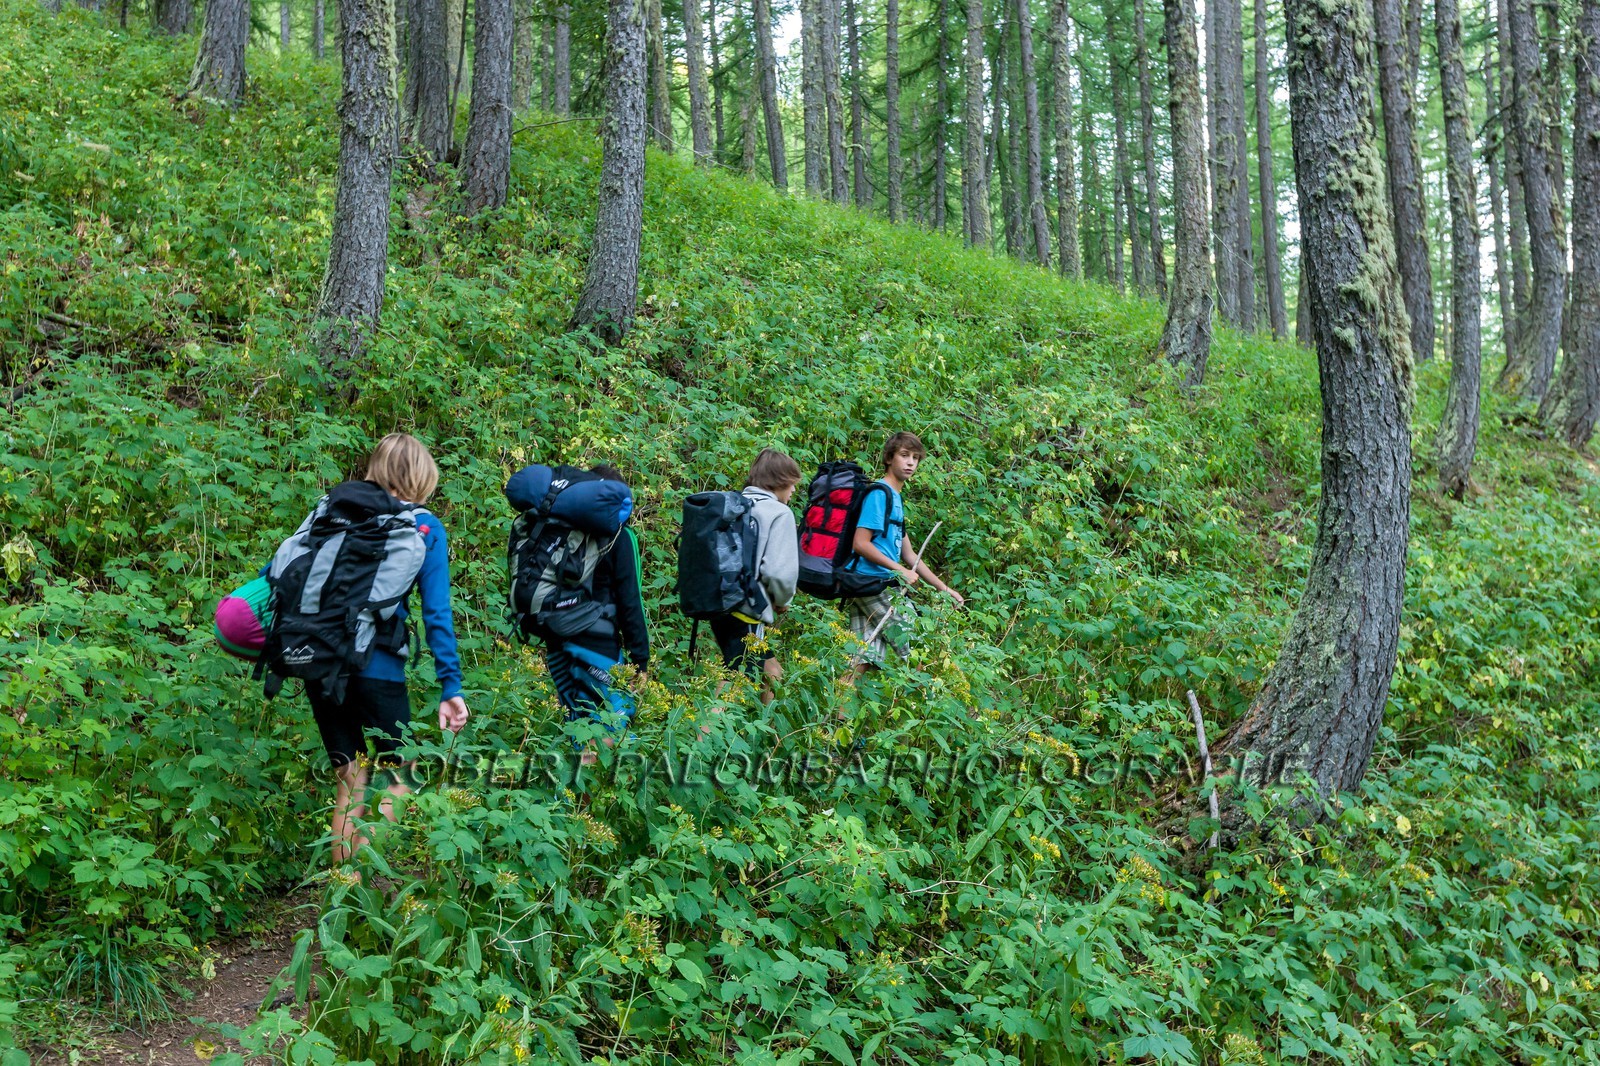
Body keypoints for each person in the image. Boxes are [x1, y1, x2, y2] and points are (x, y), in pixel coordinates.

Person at [295, 433, 468, 865]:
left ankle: (342, 895)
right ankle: (372, 883)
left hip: (319, 661)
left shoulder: (333, 510)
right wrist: (451, 685)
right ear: (423, 477)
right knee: (399, 772)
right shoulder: (424, 525)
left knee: (350, 779)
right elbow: (437, 613)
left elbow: (283, 575)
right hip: (378, 667)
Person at [506, 463, 650, 743]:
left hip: (556, 636)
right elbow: (631, 602)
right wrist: (640, 662)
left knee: (577, 722)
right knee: (611, 726)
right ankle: (591, 785)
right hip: (597, 645)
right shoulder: (619, 535)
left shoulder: (557, 528)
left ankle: (568, 785)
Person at [845, 432, 963, 673]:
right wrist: (899, 571)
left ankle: (839, 711)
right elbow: (861, 543)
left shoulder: (894, 498)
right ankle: (925, 707)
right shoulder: (880, 494)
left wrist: (945, 589)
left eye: (916, 458)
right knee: (920, 650)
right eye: (904, 455)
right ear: (889, 458)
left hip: (864, 585)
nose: (911, 462)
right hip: (874, 582)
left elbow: (910, 557)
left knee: (862, 658)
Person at [708, 448, 801, 703]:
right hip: (746, 608)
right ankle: (703, 740)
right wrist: (783, 601)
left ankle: (765, 736)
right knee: (735, 678)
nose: (793, 491)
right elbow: (779, 573)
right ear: (780, 480)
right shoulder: (779, 513)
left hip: (720, 603)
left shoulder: (736, 505)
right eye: (792, 484)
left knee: (772, 672)